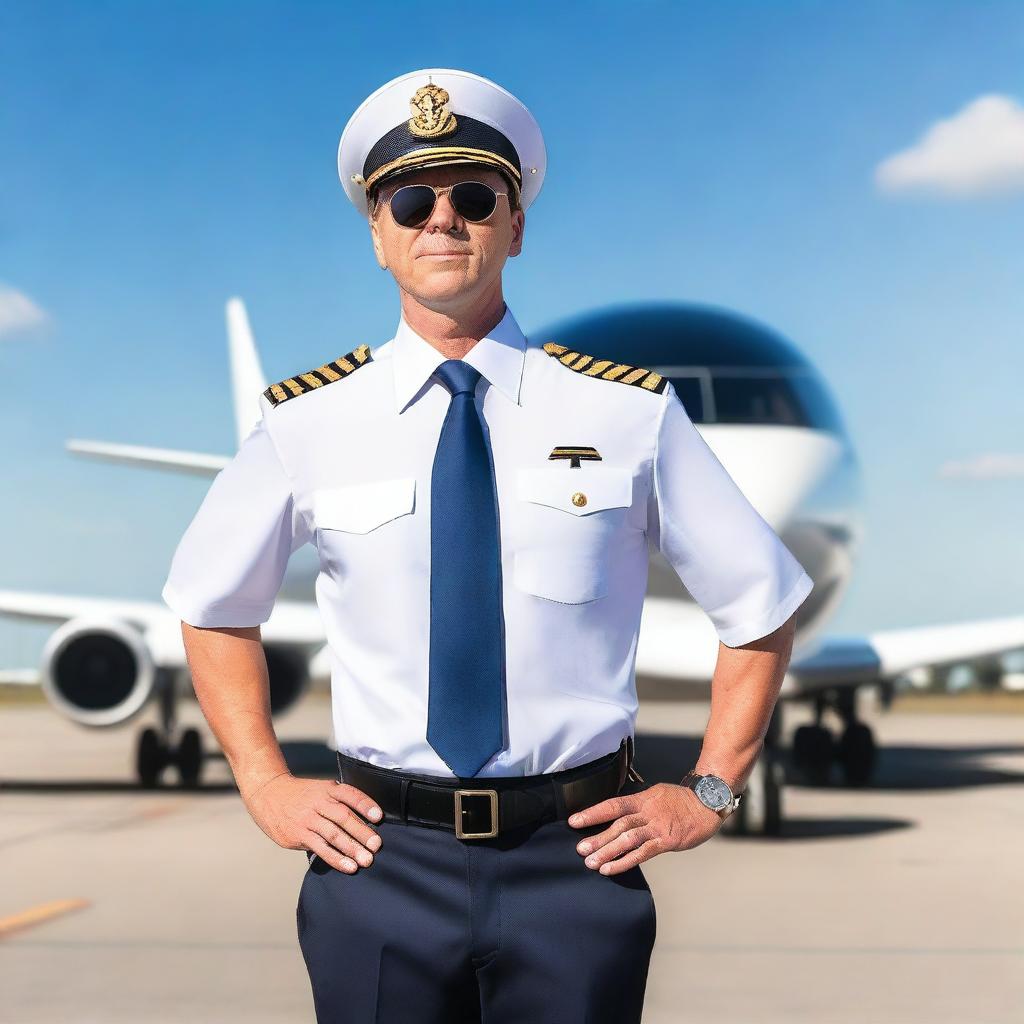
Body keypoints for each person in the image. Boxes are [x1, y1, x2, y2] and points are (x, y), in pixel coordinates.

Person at [161, 67, 814, 1023]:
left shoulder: (629, 412)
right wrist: (263, 781)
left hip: (576, 861)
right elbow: (215, 608)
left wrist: (709, 792)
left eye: (475, 197)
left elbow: (761, 607)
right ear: (378, 234)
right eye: (411, 200)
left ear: (515, 226)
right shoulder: (305, 421)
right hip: (379, 862)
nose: (443, 219)